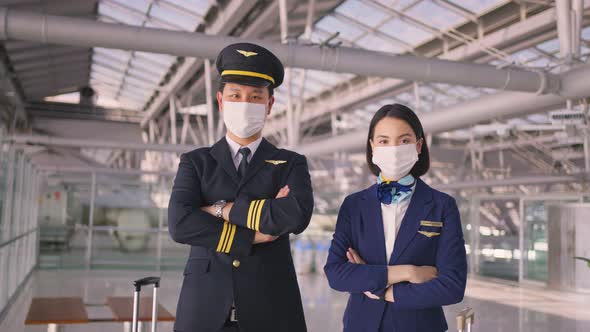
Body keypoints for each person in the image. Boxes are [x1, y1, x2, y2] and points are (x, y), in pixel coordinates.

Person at [168, 42, 314, 332]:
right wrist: (251, 237)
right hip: (204, 310)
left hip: (272, 308)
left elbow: (295, 215)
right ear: (221, 102)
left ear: (269, 104)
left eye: (255, 97)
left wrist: (219, 210)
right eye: (235, 95)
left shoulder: (290, 163)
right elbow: (180, 223)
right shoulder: (196, 162)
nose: (244, 104)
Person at [324, 104, 467, 332]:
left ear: (418, 145)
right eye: (383, 141)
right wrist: (408, 272)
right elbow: (336, 273)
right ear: (372, 147)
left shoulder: (442, 206)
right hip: (361, 325)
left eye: (404, 141)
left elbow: (452, 286)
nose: (394, 149)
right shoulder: (353, 205)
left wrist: (383, 291)